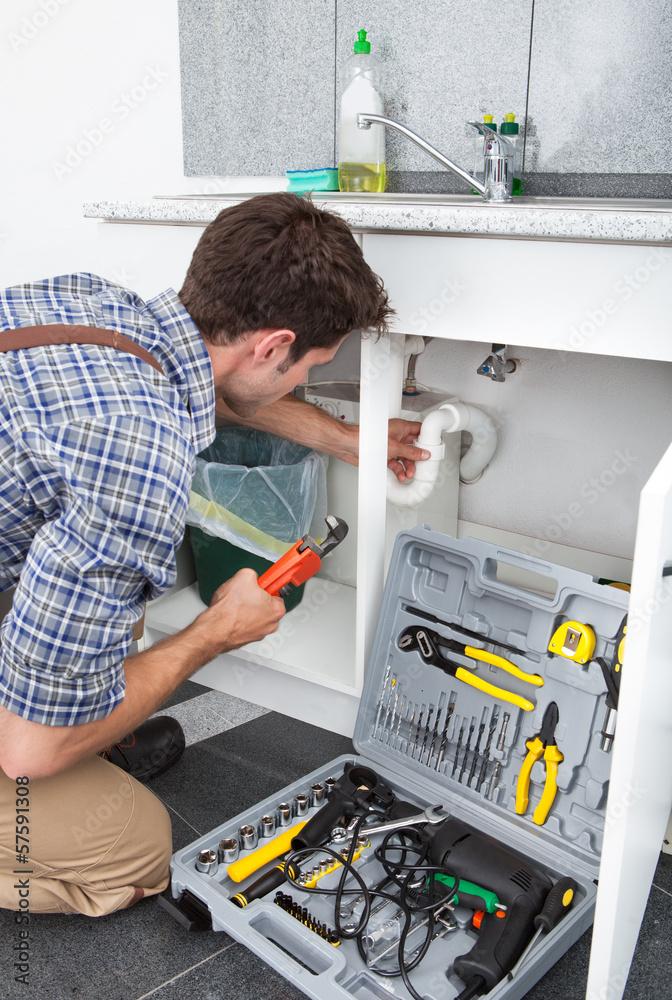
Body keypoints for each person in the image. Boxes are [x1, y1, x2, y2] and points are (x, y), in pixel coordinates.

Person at [0, 192, 429, 917]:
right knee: (133, 851)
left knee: (115, 596)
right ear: (271, 345)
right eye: (307, 367)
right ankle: (80, 734)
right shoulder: (137, 460)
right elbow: (27, 754)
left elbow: (212, 392)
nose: (301, 382)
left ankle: (87, 720)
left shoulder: (96, 304)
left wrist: (348, 440)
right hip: (29, 742)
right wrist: (213, 635)